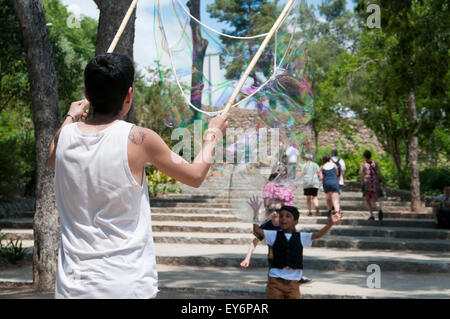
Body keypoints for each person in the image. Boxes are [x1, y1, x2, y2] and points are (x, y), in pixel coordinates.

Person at [48, 53, 229, 299]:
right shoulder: (139, 139)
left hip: (72, 287)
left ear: (87, 95)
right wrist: (212, 135)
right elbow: (195, 175)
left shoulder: (63, 137)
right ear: (129, 95)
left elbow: (52, 157)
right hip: (127, 285)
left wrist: (70, 115)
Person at [253, 206, 343, 299]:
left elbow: (318, 234)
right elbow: (257, 230)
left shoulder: (301, 237)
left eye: (288, 216)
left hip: (293, 282)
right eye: (281, 216)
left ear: (295, 222)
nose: (283, 218)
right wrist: (255, 214)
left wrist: (330, 224)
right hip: (275, 280)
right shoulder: (274, 235)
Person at [241, 197, 312, 285]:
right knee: (274, 286)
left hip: (290, 262)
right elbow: (254, 242)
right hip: (273, 260)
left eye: (278, 210)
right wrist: (247, 258)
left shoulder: (288, 226)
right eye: (271, 210)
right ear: (267, 212)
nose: (275, 213)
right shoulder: (265, 226)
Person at [359, 150, 385, 221]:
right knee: (375, 200)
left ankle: (372, 215)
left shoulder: (363, 164)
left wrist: (361, 182)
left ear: (364, 156)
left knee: (367, 200)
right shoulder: (375, 163)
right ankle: (379, 209)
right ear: (370, 156)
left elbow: (361, 174)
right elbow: (379, 173)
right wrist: (383, 181)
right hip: (375, 182)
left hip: (367, 182)